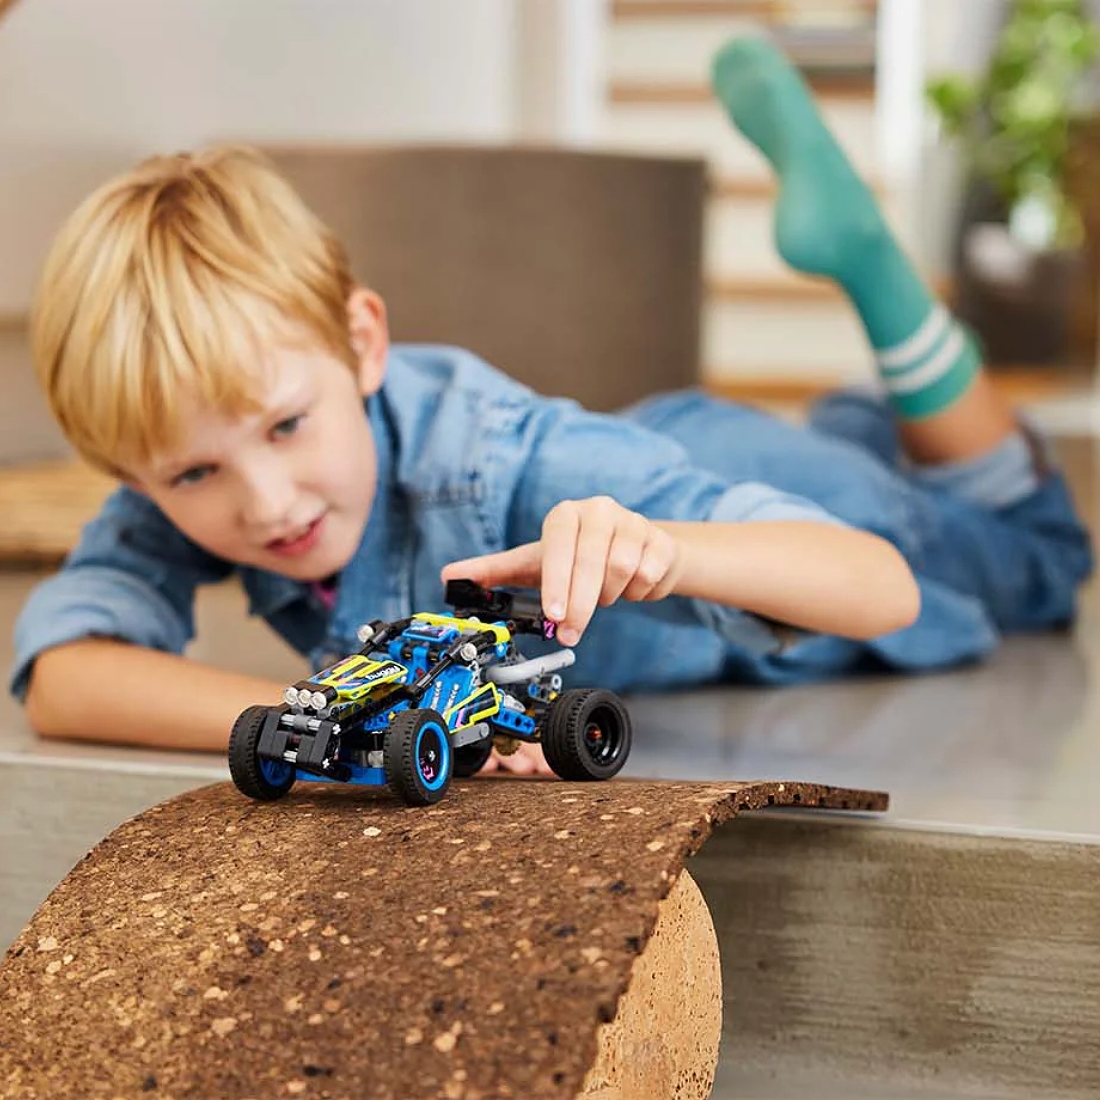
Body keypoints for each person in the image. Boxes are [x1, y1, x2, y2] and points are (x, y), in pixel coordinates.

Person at [10, 38, 1091, 776]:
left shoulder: (512, 463)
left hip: (719, 496)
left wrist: (670, 550)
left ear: (362, 343)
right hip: (662, 449)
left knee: (1037, 555)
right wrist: (318, 725)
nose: (262, 499)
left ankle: (875, 274)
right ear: (138, 474)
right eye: (194, 473)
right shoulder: (186, 449)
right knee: (868, 449)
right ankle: (860, 415)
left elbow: (879, 587)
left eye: (287, 426)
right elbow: (63, 677)